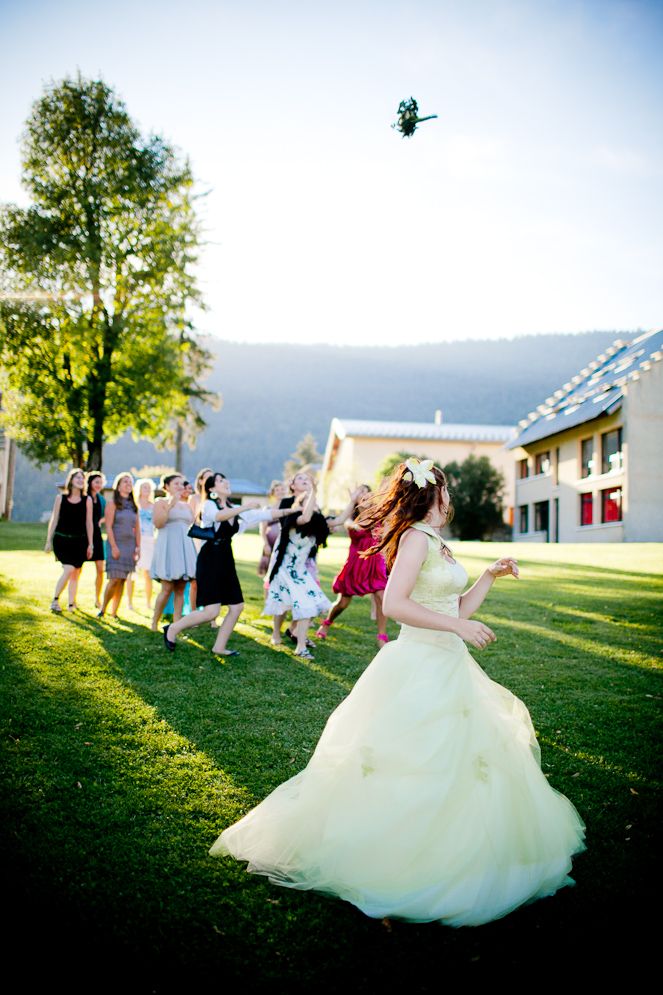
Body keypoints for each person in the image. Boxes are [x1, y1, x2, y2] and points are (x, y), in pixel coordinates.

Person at [211, 458, 585, 927]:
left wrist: (487, 576)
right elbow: (395, 604)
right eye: (446, 492)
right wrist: (457, 626)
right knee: (410, 759)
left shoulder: (435, 541)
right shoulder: (412, 538)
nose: (451, 499)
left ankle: (452, 848)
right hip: (419, 664)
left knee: (461, 762)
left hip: (449, 663)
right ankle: (394, 857)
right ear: (433, 496)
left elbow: (455, 605)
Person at [163, 473, 294, 657]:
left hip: (226, 558)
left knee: (237, 606)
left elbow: (263, 514)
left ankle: (219, 647)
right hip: (210, 559)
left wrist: (290, 511)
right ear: (211, 489)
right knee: (211, 612)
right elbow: (218, 516)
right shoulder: (209, 504)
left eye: (226, 479)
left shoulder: (235, 507)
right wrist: (244, 508)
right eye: (221, 481)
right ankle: (172, 629)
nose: (226, 482)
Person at [263, 473, 336, 658]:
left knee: (311, 604)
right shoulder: (292, 513)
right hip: (285, 566)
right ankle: (285, 637)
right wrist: (313, 490)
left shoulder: (315, 521)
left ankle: (296, 635)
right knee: (285, 603)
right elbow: (303, 516)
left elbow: (338, 520)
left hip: (301, 569)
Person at [316, 485, 389, 647]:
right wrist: (356, 524)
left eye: (366, 492)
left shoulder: (379, 516)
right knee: (342, 604)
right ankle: (327, 622)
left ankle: (381, 638)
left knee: (381, 597)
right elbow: (349, 525)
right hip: (355, 566)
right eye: (360, 492)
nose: (363, 494)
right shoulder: (350, 517)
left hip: (374, 564)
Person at [150, 474, 197, 632]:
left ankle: (176, 625)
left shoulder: (187, 506)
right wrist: (170, 505)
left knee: (180, 589)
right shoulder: (161, 502)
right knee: (167, 588)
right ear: (166, 486)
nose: (179, 486)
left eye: (181, 483)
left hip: (184, 546)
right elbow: (158, 523)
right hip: (168, 546)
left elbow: (191, 525)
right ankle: (154, 623)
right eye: (175, 483)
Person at [45, 468, 93, 612]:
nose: (80, 480)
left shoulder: (87, 500)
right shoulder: (61, 498)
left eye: (82, 478)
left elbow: (89, 523)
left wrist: (90, 544)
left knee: (76, 572)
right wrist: (48, 540)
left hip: (80, 541)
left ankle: (71, 603)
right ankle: (55, 600)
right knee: (69, 568)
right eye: (77, 477)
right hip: (62, 540)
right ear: (71, 480)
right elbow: (54, 520)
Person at [97, 473, 140, 618]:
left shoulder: (134, 505)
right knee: (114, 578)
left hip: (130, 545)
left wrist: (137, 548)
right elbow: (108, 526)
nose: (128, 484)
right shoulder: (112, 503)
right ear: (118, 485)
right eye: (125, 481)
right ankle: (103, 609)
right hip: (116, 543)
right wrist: (114, 546)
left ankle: (114, 612)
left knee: (122, 579)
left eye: (130, 482)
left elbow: (137, 529)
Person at [125, 478, 156, 611]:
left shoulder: (154, 506)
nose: (147, 490)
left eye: (149, 488)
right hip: (136, 539)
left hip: (150, 540)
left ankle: (148, 602)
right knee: (131, 572)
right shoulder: (134, 505)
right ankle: (129, 602)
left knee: (147, 573)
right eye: (144, 487)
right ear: (139, 489)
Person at [188, 468, 214, 614]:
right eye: (207, 478)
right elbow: (191, 522)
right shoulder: (194, 499)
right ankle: (194, 611)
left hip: (212, 541)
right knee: (195, 580)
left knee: (211, 579)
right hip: (197, 541)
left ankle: (210, 613)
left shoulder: (216, 500)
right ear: (200, 481)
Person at [258, 480, 288, 578]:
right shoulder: (268, 508)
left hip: (286, 543)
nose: (280, 492)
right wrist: (266, 544)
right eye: (277, 490)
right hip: (271, 544)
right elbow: (263, 528)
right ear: (273, 493)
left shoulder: (290, 507)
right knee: (270, 574)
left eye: (282, 489)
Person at [85, 471, 106, 608]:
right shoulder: (84, 497)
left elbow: (106, 514)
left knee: (100, 568)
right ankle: (72, 599)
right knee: (77, 568)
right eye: (96, 482)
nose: (99, 485)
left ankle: (97, 598)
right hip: (83, 534)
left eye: (100, 482)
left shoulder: (101, 499)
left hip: (97, 534)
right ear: (90, 483)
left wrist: (99, 522)